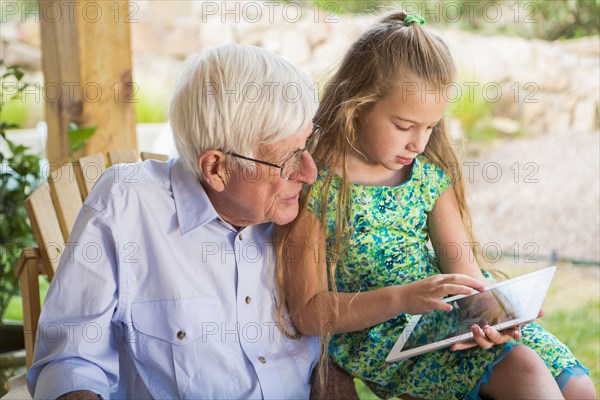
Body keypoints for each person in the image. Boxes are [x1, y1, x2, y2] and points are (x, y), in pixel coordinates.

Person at [278, 12, 597, 400]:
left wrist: (489, 318)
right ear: (357, 105)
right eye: (404, 125)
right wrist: (405, 297)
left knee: (578, 386)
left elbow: (464, 274)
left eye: (430, 127)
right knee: (524, 369)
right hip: (388, 339)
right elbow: (310, 312)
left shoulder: (428, 177)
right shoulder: (318, 187)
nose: (419, 144)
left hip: (449, 322)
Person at [27, 43, 322, 399]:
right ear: (215, 168)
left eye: (308, 144)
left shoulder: (303, 214)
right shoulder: (128, 204)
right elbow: (70, 362)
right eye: (288, 160)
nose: (310, 173)